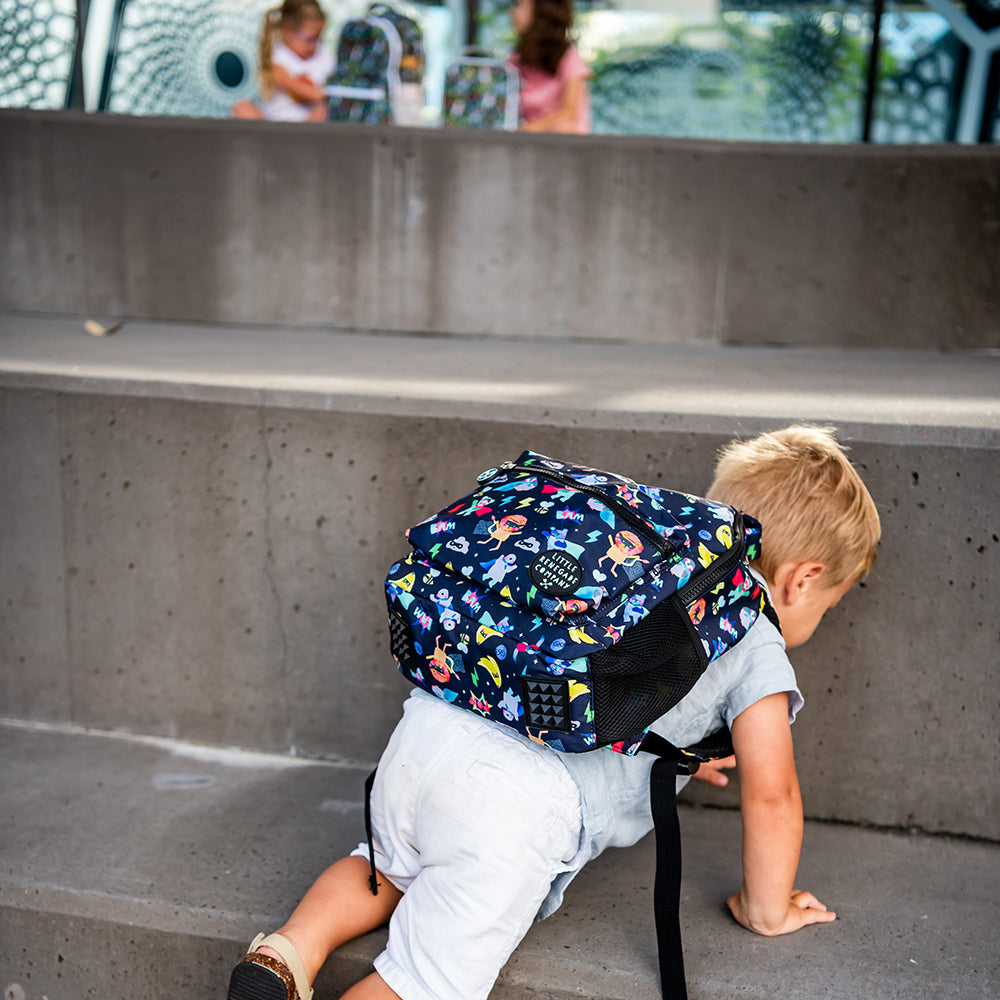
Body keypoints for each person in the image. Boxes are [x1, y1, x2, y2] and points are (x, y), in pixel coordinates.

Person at [225, 425, 881, 1000]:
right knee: (423, 981)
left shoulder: (650, 561)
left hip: (432, 726)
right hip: (511, 807)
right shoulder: (757, 637)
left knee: (383, 867)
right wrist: (766, 908)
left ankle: (286, 952)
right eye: (828, 605)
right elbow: (772, 794)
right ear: (802, 579)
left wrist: (690, 754)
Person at [232, 0, 334, 123]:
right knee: (242, 107)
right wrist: (325, 94)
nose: (315, 45)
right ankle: (270, 134)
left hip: (307, 122)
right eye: (309, 39)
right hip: (274, 122)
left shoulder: (324, 55)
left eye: (319, 38)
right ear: (287, 31)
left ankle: (302, 133)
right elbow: (293, 86)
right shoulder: (279, 56)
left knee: (322, 110)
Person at [508, 0, 591, 134]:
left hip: (559, 140)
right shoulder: (516, 60)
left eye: (520, 4)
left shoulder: (569, 58)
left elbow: (568, 113)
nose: (512, 12)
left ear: (542, 13)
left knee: (563, 126)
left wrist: (524, 130)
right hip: (526, 139)